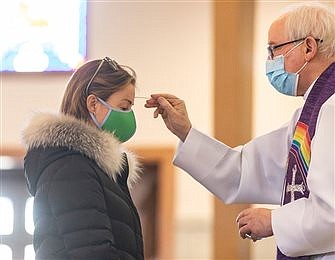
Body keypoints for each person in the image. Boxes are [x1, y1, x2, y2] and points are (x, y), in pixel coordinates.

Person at [145, 2, 334, 259]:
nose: (270, 62)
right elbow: (243, 169)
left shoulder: (331, 108)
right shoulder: (308, 114)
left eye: (274, 50)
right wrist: (185, 131)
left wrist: (273, 221)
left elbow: (331, 213)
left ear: (308, 47)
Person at [22, 57, 144, 259]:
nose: (129, 115)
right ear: (93, 103)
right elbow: (92, 252)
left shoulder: (94, 168)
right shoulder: (71, 167)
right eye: (124, 107)